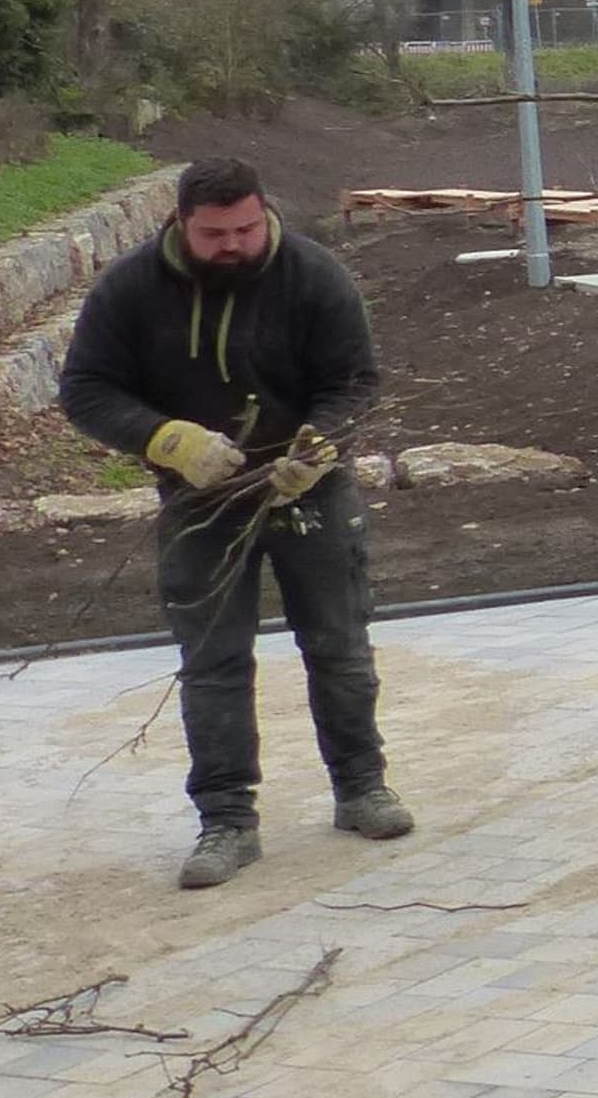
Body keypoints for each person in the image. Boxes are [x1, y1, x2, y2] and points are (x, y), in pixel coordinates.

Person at [58, 158, 403, 890]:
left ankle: (361, 788)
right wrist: (166, 441)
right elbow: (86, 388)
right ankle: (226, 821)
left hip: (308, 492)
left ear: (263, 212)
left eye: (245, 228)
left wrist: (319, 445)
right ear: (183, 222)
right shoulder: (130, 290)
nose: (233, 245)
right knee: (212, 664)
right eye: (215, 233)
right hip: (199, 503)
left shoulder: (312, 277)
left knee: (339, 648)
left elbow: (354, 381)